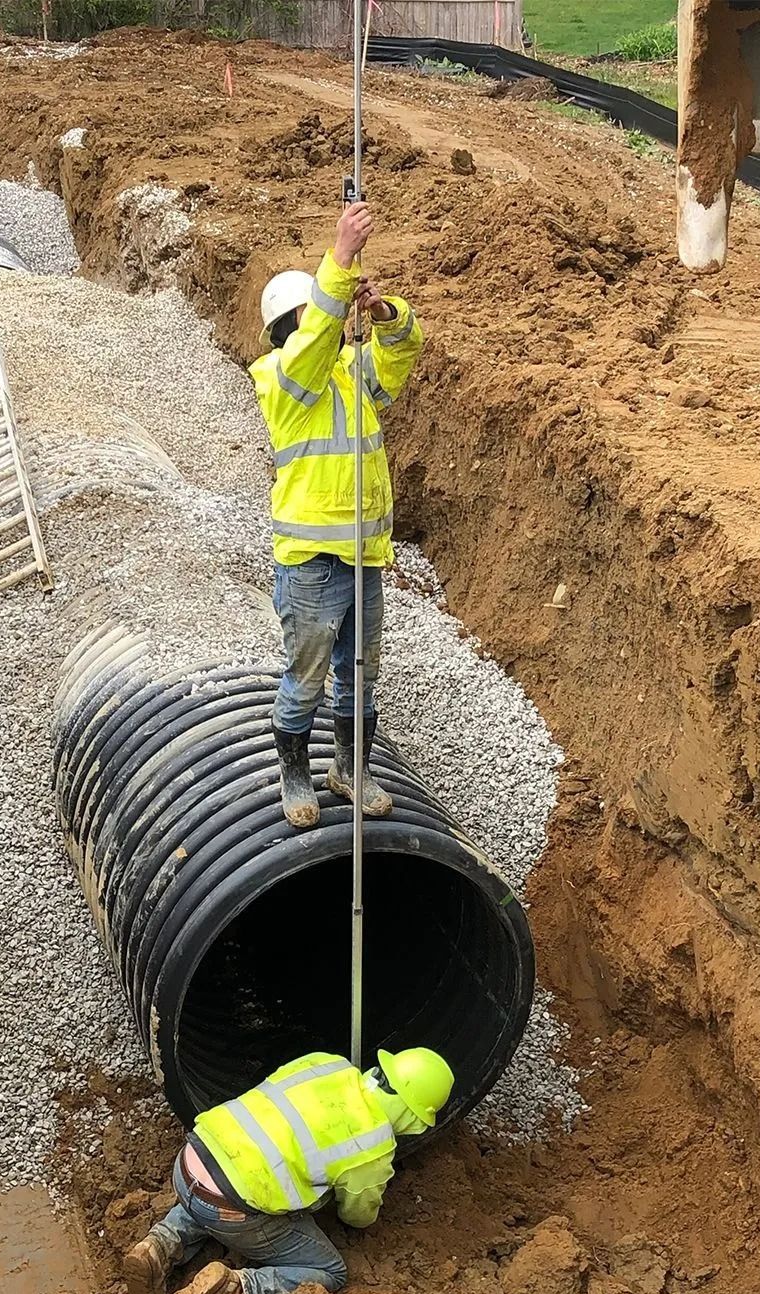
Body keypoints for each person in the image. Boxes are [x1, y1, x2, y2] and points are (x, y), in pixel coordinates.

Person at [250, 201, 424, 830]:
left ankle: (349, 768)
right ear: (290, 328)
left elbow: (405, 353)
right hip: (314, 563)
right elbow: (315, 343)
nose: (331, 321)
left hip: (365, 555)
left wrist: (383, 314)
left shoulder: (351, 375)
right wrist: (341, 257)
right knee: (306, 677)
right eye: (314, 315)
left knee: (360, 673)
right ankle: (294, 772)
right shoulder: (283, 379)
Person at [123, 1046, 454, 1294]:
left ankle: (158, 1244)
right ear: (414, 1115)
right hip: (234, 1209)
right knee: (330, 1271)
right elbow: (358, 1215)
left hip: (190, 1161)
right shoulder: (375, 1145)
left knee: (219, 1188)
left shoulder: (328, 1063)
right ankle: (236, 1288)